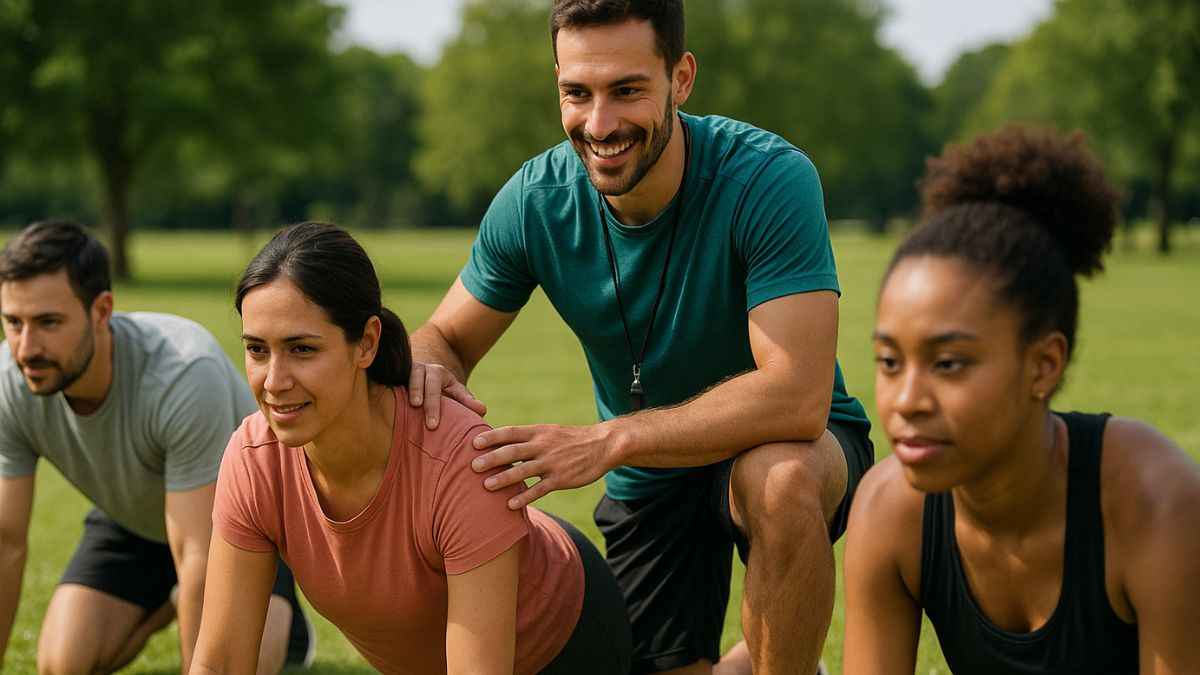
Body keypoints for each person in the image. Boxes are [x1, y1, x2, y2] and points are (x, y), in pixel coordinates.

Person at [406, 2, 873, 673]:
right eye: (577, 93)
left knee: (780, 479)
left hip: (793, 443)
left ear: (680, 78)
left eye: (626, 90)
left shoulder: (769, 178)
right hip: (649, 478)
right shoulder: (536, 201)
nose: (599, 124)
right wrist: (426, 366)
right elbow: (445, 336)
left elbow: (798, 398)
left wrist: (610, 439)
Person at [190, 222, 631, 675]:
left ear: (366, 343)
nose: (274, 382)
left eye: (301, 349)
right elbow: (219, 663)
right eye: (257, 350)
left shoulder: (460, 462)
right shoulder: (254, 458)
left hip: (568, 642)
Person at [842, 127, 1200, 674]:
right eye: (890, 361)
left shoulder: (1156, 504)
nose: (907, 400)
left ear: (1044, 365)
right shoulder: (889, 510)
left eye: (948, 363)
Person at [0, 221, 313, 674]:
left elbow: (201, 555)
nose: (27, 348)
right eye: (13, 323)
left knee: (246, 665)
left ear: (101, 310)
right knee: (62, 664)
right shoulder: (11, 383)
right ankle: (169, 601)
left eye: (49, 322)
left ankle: (288, 626)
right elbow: (5, 541)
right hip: (136, 521)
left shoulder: (182, 373)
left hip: (238, 532)